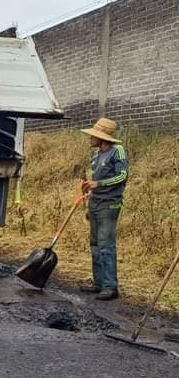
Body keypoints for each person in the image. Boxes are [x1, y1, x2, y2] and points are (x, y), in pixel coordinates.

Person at [80, 118, 129, 301]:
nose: (90, 138)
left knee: (106, 245)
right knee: (95, 244)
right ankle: (98, 282)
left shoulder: (118, 151)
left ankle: (110, 286)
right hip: (95, 203)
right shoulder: (96, 155)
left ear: (103, 138)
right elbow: (94, 181)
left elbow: (122, 176)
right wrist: (88, 190)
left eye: (93, 136)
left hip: (109, 204)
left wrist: (98, 183)